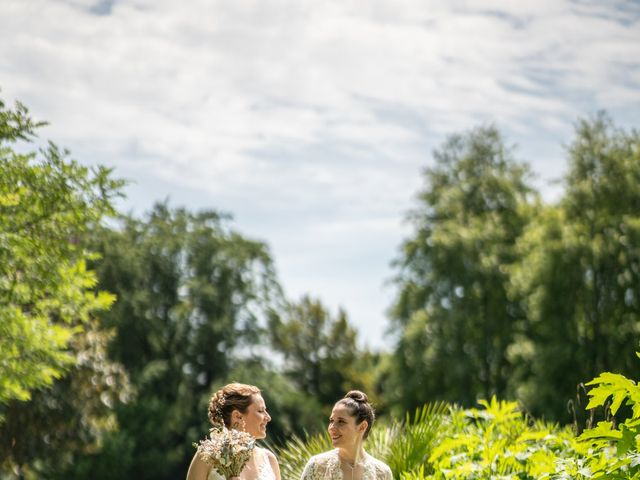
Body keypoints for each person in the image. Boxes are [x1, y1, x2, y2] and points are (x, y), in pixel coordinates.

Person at [187, 383, 281, 480]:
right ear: (237, 416)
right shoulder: (207, 456)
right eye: (261, 411)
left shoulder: (270, 459)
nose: (268, 418)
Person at [301, 390, 393, 480]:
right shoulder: (317, 466)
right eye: (332, 421)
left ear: (362, 427)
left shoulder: (383, 473)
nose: (332, 427)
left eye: (341, 421)